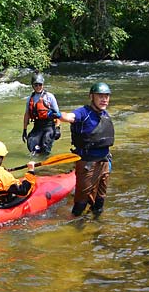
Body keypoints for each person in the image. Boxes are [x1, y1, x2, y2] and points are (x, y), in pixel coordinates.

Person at [58, 82, 115, 217]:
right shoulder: (84, 112)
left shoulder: (105, 114)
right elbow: (69, 117)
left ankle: (96, 228)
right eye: (100, 96)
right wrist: (57, 114)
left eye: (106, 96)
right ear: (91, 96)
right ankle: (75, 229)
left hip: (104, 162)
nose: (104, 99)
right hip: (87, 164)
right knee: (81, 204)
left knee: (99, 201)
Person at [22, 73, 62, 156]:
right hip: (37, 126)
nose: (38, 87)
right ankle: (35, 164)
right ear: (33, 86)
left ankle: (45, 162)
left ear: (43, 85)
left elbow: (57, 114)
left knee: (45, 146)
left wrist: (57, 128)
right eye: (36, 85)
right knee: (32, 144)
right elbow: (27, 115)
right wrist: (24, 130)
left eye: (40, 85)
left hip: (49, 126)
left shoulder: (49, 97)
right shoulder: (30, 99)